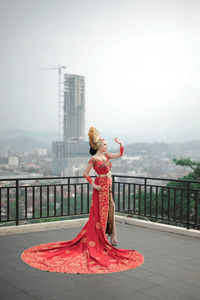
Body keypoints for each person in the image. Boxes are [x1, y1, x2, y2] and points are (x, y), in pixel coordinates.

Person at [21, 127, 144, 274]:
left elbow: (121, 154)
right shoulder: (94, 159)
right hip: (101, 188)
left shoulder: (106, 157)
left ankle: (112, 235)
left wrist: (121, 143)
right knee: (102, 213)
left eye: (106, 145)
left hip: (109, 186)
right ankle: (109, 237)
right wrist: (94, 185)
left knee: (112, 207)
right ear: (98, 146)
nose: (106, 146)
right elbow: (85, 174)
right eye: (104, 144)